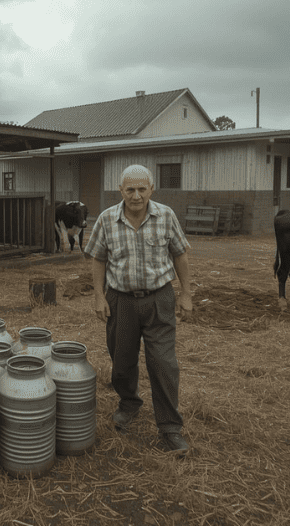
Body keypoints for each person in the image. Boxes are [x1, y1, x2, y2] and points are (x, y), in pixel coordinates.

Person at [83, 164, 192, 455]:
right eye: (130, 189)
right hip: (120, 301)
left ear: (151, 189)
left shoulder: (166, 215)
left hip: (159, 300)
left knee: (163, 363)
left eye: (142, 189)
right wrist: (98, 296)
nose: (136, 195)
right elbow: (98, 259)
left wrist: (186, 293)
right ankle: (129, 403)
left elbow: (180, 254)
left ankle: (170, 427)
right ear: (120, 190)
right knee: (122, 360)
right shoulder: (107, 219)